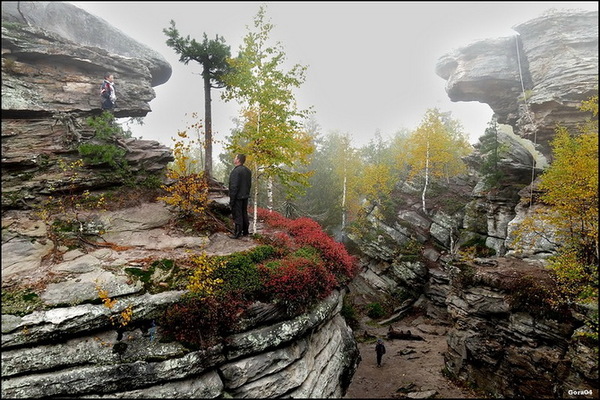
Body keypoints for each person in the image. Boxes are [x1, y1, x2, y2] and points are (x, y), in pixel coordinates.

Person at [228, 154, 252, 239]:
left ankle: (237, 233)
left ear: (238, 160)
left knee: (237, 215)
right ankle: (245, 231)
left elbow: (234, 186)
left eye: (235, 157)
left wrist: (232, 199)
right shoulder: (248, 171)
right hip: (245, 196)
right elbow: (249, 184)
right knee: (244, 213)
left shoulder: (236, 171)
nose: (234, 159)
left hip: (237, 197)